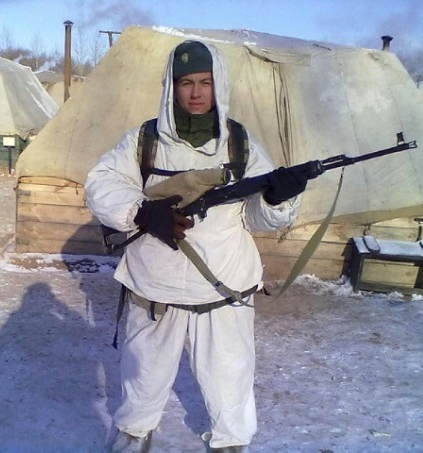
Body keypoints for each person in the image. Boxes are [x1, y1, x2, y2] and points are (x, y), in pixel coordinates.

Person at [85, 40, 307, 452]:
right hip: (156, 282)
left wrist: (277, 199)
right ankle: (134, 432)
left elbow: (256, 218)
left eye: (205, 82)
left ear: (218, 84)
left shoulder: (240, 143)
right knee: (143, 372)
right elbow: (100, 184)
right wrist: (140, 212)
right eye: (186, 82)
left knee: (230, 374)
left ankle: (231, 442)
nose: (196, 93)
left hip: (224, 283)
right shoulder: (144, 140)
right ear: (172, 86)